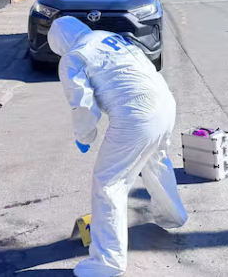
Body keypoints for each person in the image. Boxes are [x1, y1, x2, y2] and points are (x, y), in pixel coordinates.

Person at [48, 16, 188, 277]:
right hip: (165, 102)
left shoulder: (74, 55)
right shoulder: (108, 38)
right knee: (155, 160)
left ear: (60, 43)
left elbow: (82, 103)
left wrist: (85, 136)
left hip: (136, 113)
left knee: (108, 183)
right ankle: (173, 216)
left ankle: (107, 261)